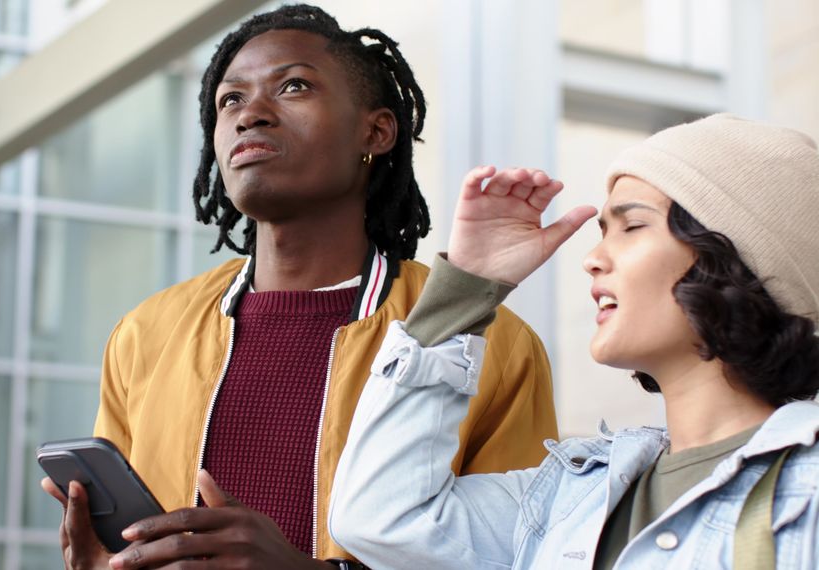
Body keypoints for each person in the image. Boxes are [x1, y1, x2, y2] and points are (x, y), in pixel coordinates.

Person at [41, 4, 559, 569]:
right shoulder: (146, 333)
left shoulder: (483, 342)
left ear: (377, 131)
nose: (250, 115)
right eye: (230, 99)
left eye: (292, 86)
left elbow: (523, 554)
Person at [330, 113, 819, 569]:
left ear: (733, 259)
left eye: (632, 226)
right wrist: (466, 288)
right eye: (604, 230)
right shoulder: (565, 497)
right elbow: (378, 518)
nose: (593, 259)